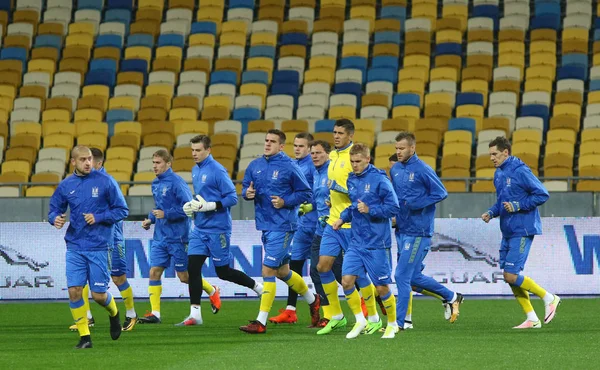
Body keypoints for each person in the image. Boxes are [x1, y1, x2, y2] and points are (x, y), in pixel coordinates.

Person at [240, 129, 321, 334]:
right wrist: (247, 194)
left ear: (281, 146)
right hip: (265, 225)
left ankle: (260, 322)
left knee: (267, 270)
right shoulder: (255, 165)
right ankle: (313, 300)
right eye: (266, 140)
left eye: (272, 141)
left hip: (284, 224)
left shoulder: (289, 166)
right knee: (283, 271)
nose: (267, 144)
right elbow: (244, 188)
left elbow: (306, 193)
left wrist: (286, 202)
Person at [177, 135, 264, 326]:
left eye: (198, 150)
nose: (194, 154)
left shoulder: (217, 170)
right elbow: (202, 198)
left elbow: (232, 197)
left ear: (208, 150)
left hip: (218, 229)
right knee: (192, 268)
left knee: (223, 272)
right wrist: (192, 209)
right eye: (192, 150)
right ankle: (195, 314)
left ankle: (257, 287)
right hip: (200, 229)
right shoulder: (195, 170)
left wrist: (211, 206)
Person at [49, 145, 128, 349]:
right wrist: (54, 219)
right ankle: (85, 337)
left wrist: (99, 217)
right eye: (83, 159)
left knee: (99, 295)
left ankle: (114, 313)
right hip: (75, 245)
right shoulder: (66, 185)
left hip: (100, 245)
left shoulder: (106, 181)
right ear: (73, 162)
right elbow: (54, 208)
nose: (87, 163)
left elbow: (122, 210)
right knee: (75, 291)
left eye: (90, 159)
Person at [482, 136, 560, 329]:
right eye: (490, 154)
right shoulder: (499, 174)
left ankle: (549, 297)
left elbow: (542, 194)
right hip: (507, 229)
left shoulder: (521, 171)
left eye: (495, 154)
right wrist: (491, 212)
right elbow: (502, 201)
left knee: (510, 275)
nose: (492, 158)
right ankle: (532, 318)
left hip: (523, 228)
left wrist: (517, 205)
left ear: (506, 152)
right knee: (510, 276)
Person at [390, 132, 464, 332]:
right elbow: (397, 197)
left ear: (412, 148)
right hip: (402, 229)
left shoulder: (423, 169)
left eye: (402, 148)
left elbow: (441, 192)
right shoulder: (395, 169)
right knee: (412, 278)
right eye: (396, 148)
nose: (398, 152)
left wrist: (417, 204)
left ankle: (401, 322)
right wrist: (396, 215)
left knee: (401, 276)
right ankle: (451, 296)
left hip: (418, 230)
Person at [138, 149, 221, 324]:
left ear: (168, 164)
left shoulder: (177, 183)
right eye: (153, 163)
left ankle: (212, 290)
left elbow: (188, 208)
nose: (155, 166)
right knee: (154, 272)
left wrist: (166, 214)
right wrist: (150, 219)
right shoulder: (155, 183)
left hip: (179, 237)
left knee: (184, 277)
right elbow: (158, 207)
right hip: (160, 237)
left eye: (158, 162)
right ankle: (155, 313)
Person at [316, 119, 381, 336]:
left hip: (354, 224)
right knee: (322, 267)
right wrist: (331, 199)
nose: (336, 136)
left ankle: (373, 318)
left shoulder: (354, 158)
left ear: (350, 136)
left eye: (341, 133)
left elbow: (361, 192)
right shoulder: (333, 155)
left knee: (358, 275)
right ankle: (336, 316)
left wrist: (339, 189)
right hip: (333, 222)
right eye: (334, 132)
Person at [332, 143, 400, 339]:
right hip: (356, 241)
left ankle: (393, 324)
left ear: (368, 160)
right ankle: (361, 320)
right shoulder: (352, 179)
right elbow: (354, 206)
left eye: (358, 162)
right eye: (352, 162)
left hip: (377, 242)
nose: (354, 165)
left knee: (381, 287)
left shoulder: (380, 180)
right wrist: (343, 218)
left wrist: (371, 210)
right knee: (346, 282)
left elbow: (394, 207)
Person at [269, 132, 317, 324]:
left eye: (301, 146)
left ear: (309, 148)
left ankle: (361, 303)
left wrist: (311, 205)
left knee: (325, 268)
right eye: (295, 145)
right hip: (300, 225)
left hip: (316, 224)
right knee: (293, 267)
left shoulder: (313, 167)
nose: (297, 149)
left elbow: (318, 192)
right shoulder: (293, 165)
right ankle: (291, 310)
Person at [308, 140, 343, 328]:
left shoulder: (333, 172)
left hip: (334, 229)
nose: (314, 156)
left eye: (319, 153)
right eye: (312, 153)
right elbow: (320, 199)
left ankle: (367, 304)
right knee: (315, 270)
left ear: (328, 154)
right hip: (320, 230)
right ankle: (330, 315)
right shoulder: (316, 173)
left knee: (341, 273)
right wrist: (309, 207)